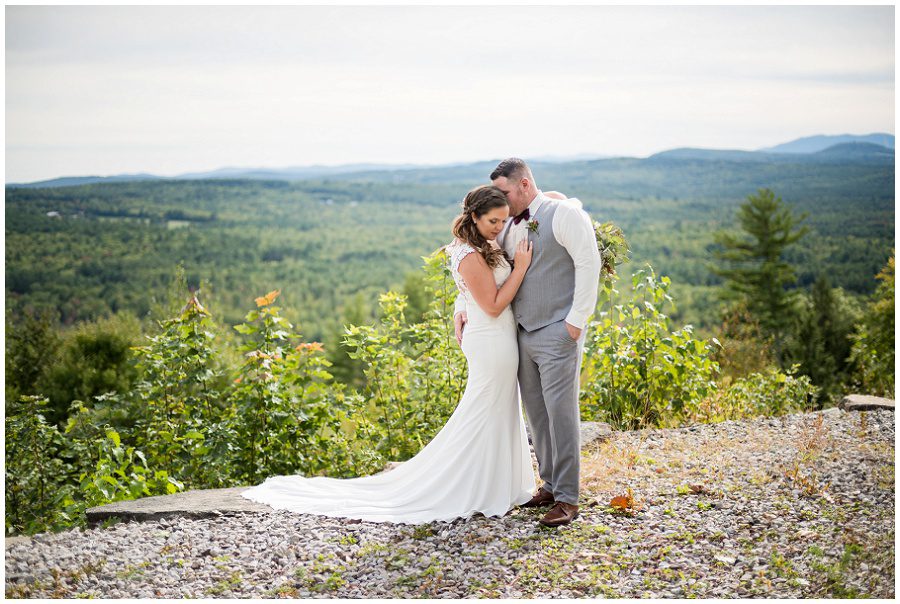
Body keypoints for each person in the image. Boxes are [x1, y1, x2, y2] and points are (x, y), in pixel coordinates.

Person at [240, 185, 537, 524]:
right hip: (491, 341)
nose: (499, 228)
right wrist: (521, 267)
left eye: (503, 221)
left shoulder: (478, 244)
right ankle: (472, 486)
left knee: (497, 408)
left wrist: (461, 305)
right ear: (474, 217)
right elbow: (495, 305)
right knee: (486, 409)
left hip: (495, 339)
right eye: (493, 221)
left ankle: (497, 482)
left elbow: (472, 291)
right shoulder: (469, 253)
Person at [455, 158, 601, 527]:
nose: (497, 200)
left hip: (557, 330)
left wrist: (575, 323)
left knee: (561, 413)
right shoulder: (504, 225)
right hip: (518, 333)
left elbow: (588, 263)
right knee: (536, 414)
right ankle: (550, 485)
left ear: (523, 184)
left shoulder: (563, 214)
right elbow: (479, 269)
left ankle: (568, 498)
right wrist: (461, 305)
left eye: (503, 192)